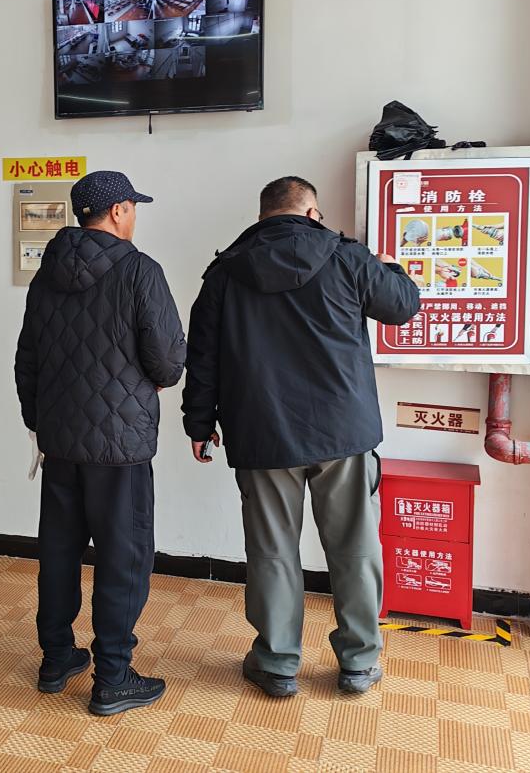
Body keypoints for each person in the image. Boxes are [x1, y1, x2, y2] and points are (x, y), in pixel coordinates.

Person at [182, 176, 420, 698]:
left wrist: (199, 424)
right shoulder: (347, 257)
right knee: (355, 547)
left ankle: (276, 664)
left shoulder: (226, 271)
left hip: (262, 433)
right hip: (344, 433)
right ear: (312, 213)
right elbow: (402, 307)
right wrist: (391, 268)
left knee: (271, 552)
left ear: (263, 215)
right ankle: (359, 662)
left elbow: (201, 358)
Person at [15, 170, 186, 716]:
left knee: (58, 552)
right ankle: (113, 677)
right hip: (120, 447)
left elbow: (27, 360)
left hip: (61, 442)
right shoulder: (140, 271)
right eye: (133, 207)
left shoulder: (46, 275)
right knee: (123, 558)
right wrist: (156, 378)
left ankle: (56, 659)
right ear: (117, 211)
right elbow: (168, 362)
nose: (135, 216)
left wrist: (42, 424)